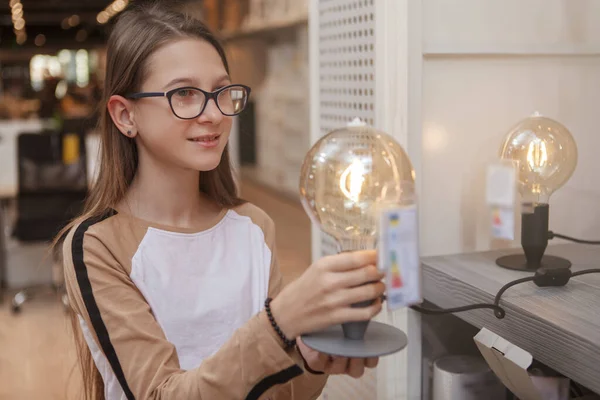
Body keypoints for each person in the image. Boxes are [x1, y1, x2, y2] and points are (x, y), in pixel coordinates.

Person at [56, 3, 385, 400]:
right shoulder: (97, 245)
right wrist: (278, 322)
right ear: (125, 116)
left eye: (221, 91)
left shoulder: (253, 226)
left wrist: (308, 358)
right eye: (185, 94)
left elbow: (276, 392)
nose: (213, 113)